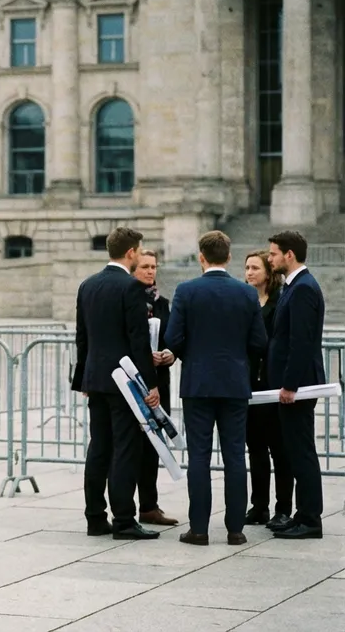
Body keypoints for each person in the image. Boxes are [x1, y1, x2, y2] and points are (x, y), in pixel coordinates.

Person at [164, 231, 267, 546]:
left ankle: (199, 529)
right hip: (235, 382)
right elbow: (259, 342)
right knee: (236, 455)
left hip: (198, 382)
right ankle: (235, 529)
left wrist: (190, 353)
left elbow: (173, 339)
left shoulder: (186, 291)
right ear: (229, 257)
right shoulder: (247, 294)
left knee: (199, 456)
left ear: (201, 257)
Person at [72, 226, 160, 541]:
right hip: (123, 383)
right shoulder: (131, 287)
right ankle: (124, 519)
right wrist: (150, 384)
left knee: (99, 448)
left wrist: (81, 376)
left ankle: (95, 517)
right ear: (131, 252)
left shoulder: (88, 285)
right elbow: (138, 341)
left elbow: (82, 337)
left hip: (95, 378)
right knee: (125, 449)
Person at [266, 230, 326, 540]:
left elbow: (300, 342)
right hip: (294, 384)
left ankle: (310, 519)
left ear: (289, 255)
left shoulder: (302, 288)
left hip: (298, 386)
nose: (270, 258)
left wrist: (289, 385)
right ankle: (302, 514)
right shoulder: (295, 286)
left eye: (274, 253)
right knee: (295, 449)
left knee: (301, 452)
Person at [242, 249, 292, 530]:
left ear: (268, 273)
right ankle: (258, 505)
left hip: (274, 384)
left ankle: (283, 508)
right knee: (255, 448)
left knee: (280, 449)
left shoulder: (279, 301)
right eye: (247, 268)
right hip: (250, 384)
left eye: (255, 268)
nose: (249, 273)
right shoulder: (245, 300)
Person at [131, 250, 178, 527]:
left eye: (154, 267)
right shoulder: (128, 300)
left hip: (159, 383)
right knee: (132, 447)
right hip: (133, 384)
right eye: (145, 267)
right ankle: (126, 506)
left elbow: (172, 336)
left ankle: (149, 505)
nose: (150, 271)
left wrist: (170, 353)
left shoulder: (163, 304)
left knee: (154, 446)